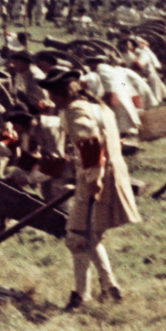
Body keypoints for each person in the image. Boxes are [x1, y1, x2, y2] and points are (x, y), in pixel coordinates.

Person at [42, 71, 140, 308]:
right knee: (90, 234)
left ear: (61, 95)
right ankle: (110, 288)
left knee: (77, 236)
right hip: (106, 171)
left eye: (52, 95)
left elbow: (89, 143)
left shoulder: (75, 110)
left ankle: (81, 295)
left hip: (96, 175)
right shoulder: (97, 106)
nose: (51, 100)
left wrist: (93, 178)